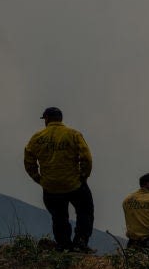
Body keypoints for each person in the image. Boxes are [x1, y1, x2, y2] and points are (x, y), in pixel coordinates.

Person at [23, 107, 95, 252]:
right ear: (61, 118)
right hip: (74, 183)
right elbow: (86, 157)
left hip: (50, 187)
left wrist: (37, 178)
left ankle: (64, 244)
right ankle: (80, 242)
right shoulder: (73, 134)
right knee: (85, 211)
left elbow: (28, 159)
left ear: (47, 119)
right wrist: (83, 175)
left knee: (59, 217)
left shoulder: (37, 137)